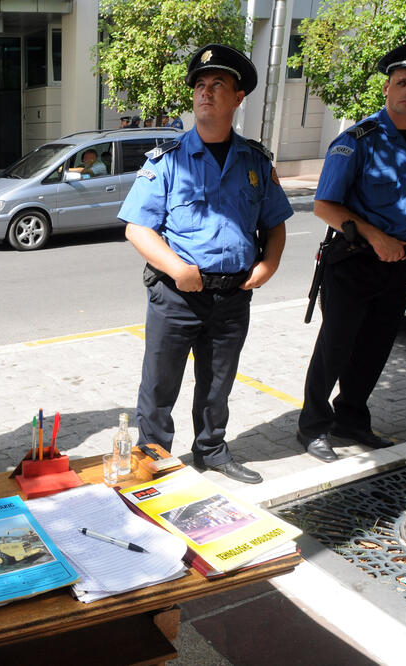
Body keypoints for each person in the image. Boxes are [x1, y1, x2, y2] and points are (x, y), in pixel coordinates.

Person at [118, 44, 292, 484]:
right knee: (159, 385)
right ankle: (153, 456)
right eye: (200, 84)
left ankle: (211, 450)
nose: (206, 92)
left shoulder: (255, 162)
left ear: (238, 98)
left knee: (218, 384)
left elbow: (275, 223)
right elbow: (137, 228)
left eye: (218, 85)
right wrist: (177, 268)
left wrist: (268, 266)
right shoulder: (167, 160)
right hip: (177, 295)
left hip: (233, 294)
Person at [298, 40, 406, 461]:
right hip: (354, 260)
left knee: (377, 348)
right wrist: (376, 237)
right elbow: (325, 205)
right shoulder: (358, 139)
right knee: (336, 347)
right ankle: (313, 427)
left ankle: (352, 418)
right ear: (387, 88)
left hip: (399, 265)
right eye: (401, 82)